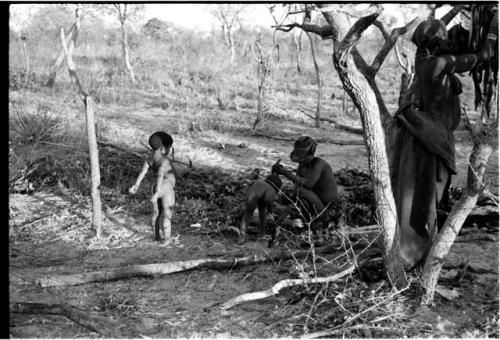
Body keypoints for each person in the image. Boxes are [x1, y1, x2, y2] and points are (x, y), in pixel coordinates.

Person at [391, 11, 498, 269]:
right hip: (433, 137)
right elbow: (483, 57)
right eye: (444, 36)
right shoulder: (440, 64)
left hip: (424, 134)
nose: (449, 38)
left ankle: (412, 254)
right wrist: (493, 27)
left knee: (420, 197)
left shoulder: (422, 58)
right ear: (437, 40)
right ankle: (415, 257)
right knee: (426, 198)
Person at [272, 136, 338, 220]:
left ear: (309, 155)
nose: (299, 161)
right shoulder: (303, 166)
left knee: (299, 190)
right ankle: (310, 221)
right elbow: (297, 182)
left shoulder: (319, 164)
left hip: (327, 209)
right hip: (317, 204)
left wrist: (285, 172)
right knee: (300, 197)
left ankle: (321, 219)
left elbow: (308, 184)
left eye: (301, 158)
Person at [129, 132, 176, 242]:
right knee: (166, 215)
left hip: (155, 187)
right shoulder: (164, 161)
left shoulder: (149, 159)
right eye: (168, 148)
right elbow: (160, 174)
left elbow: (142, 172)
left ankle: (156, 237)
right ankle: (167, 239)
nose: (169, 151)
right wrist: (157, 193)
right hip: (166, 188)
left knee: (155, 213)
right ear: (162, 149)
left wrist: (136, 185)